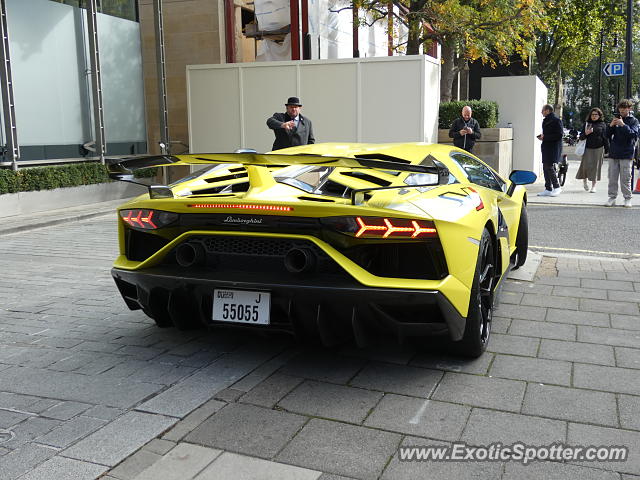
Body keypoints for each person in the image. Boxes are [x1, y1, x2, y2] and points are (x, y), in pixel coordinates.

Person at [605, 99, 638, 207]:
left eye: (624, 108)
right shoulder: (615, 119)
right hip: (614, 153)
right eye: (620, 108)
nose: (622, 110)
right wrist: (610, 126)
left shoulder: (634, 121)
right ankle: (612, 197)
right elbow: (606, 136)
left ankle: (627, 198)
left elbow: (633, 134)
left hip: (626, 154)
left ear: (629, 109)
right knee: (612, 178)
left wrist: (623, 125)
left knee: (625, 178)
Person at [575, 107, 608, 193]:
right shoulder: (587, 124)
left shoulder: (603, 125)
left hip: (599, 148)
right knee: (585, 166)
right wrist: (586, 133)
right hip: (587, 148)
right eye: (592, 114)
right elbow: (581, 137)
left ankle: (594, 186)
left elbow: (605, 138)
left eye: (596, 115)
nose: (594, 116)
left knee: (596, 168)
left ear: (599, 116)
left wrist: (607, 150)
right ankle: (585, 181)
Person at [537, 104, 564, 197]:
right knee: (545, 167)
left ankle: (557, 187)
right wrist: (543, 137)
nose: (541, 112)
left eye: (543, 110)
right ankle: (548, 188)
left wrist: (546, 137)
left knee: (549, 167)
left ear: (548, 110)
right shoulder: (546, 120)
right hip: (546, 146)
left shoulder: (556, 120)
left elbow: (560, 135)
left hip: (553, 147)